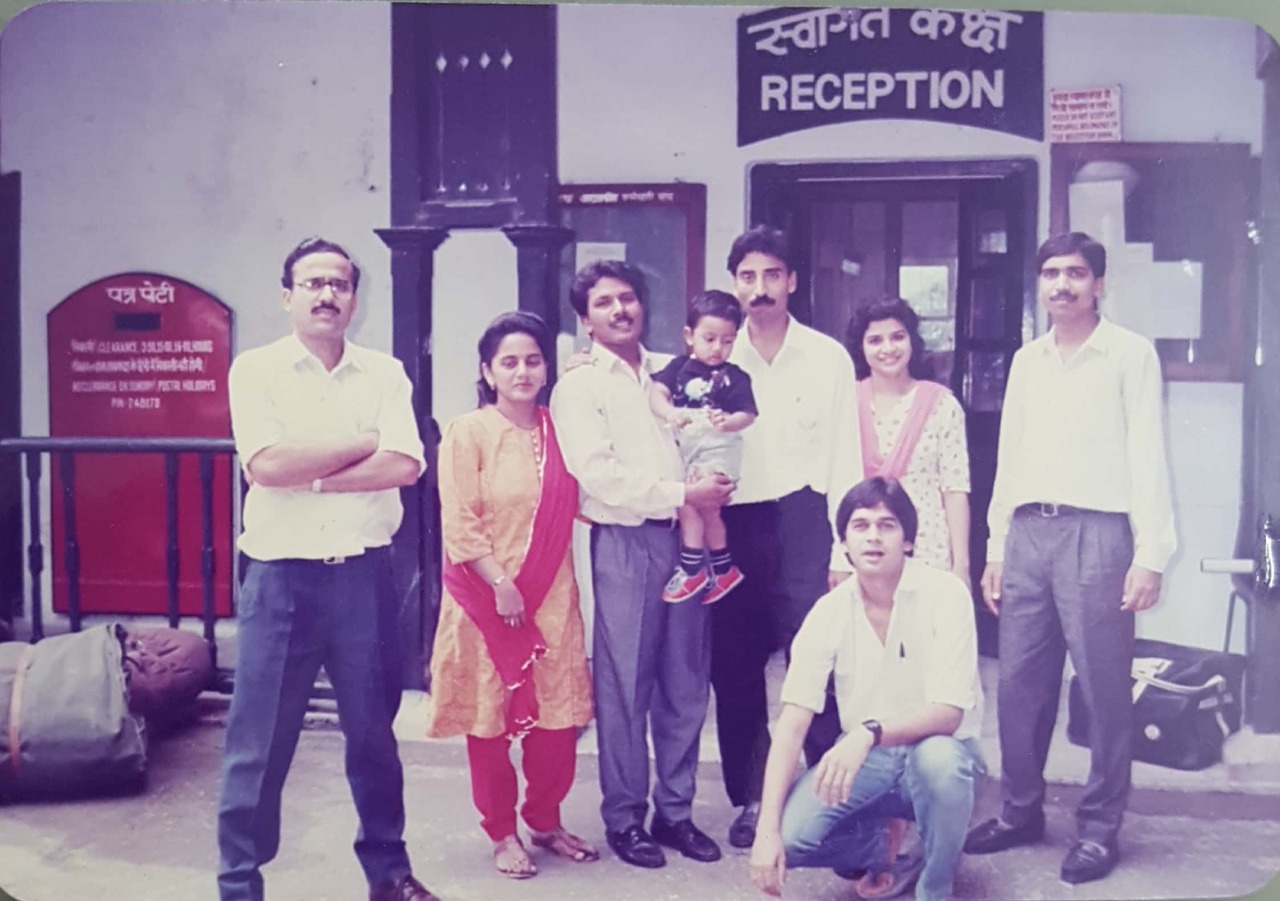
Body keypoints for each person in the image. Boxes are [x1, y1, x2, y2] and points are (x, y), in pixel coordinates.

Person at [217, 237, 438, 901]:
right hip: (282, 581)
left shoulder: (385, 373)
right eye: (312, 283)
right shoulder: (255, 370)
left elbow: (405, 464)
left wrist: (313, 477)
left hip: (363, 581)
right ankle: (239, 882)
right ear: (287, 296)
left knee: (374, 736)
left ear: (354, 297)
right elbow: (266, 465)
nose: (326, 294)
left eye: (339, 283)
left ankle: (389, 872)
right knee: (259, 743)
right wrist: (361, 441)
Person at [963, 232, 1177, 885]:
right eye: (1052, 273)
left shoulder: (1129, 355)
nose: (1062, 284)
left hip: (1099, 534)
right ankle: (1021, 809)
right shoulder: (1028, 360)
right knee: (1020, 683)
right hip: (1029, 531)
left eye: (1076, 273)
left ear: (1099, 283)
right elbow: (1012, 455)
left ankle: (1099, 827)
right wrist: (997, 545)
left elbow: (1148, 453)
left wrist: (1152, 553)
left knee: (1104, 685)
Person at [549, 260, 735, 870]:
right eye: (604, 302)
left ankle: (675, 813)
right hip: (627, 544)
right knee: (625, 683)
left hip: (688, 538)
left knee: (686, 677)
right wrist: (684, 494)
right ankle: (625, 818)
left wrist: (710, 481)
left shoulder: (670, 370)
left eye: (627, 298)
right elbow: (596, 475)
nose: (620, 310)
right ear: (586, 318)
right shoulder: (579, 385)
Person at [748, 477, 984, 901]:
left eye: (887, 525)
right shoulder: (828, 612)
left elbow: (949, 713)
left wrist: (866, 732)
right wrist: (765, 834)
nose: (873, 536)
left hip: (939, 753)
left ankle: (936, 880)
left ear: (908, 541)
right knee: (791, 838)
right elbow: (791, 725)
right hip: (871, 760)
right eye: (860, 525)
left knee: (941, 762)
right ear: (844, 543)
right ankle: (886, 848)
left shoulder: (945, 594)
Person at [425, 311, 597, 880]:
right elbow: (460, 522)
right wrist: (500, 584)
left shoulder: (559, 428)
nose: (523, 371)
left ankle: (545, 820)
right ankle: (502, 832)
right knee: (490, 721)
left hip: (552, 595)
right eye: (509, 362)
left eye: (533, 360)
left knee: (556, 719)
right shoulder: (468, 432)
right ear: (488, 371)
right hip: (485, 598)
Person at [715, 226, 862, 849]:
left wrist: (842, 548)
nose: (760, 289)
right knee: (737, 666)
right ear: (735, 284)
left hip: (808, 520)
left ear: (792, 281)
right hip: (737, 520)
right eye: (747, 277)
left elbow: (846, 454)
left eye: (771, 275)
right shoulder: (715, 354)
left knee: (819, 661)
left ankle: (828, 793)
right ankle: (750, 797)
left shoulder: (826, 356)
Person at [844, 296, 971, 579]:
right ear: (860, 348)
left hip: (928, 550)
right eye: (875, 340)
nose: (888, 349)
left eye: (898, 337)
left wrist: (960, 565)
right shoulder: (846, 404)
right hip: (864, 550)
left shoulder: (942, 405)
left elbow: (955, 489)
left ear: (912, 341)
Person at [649, 289, 758, 604]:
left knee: (691, 502)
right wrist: (670, 412)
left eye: (727, 340)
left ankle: (693, 566)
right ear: (689, 335)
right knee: (702, 510)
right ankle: (723, 568)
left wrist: (729, 421)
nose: (717, 348)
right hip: (690, 453)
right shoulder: (677, 368)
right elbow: (656, 393)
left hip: (718, 451)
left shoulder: (735, 377)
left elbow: (748, 415)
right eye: (709, 338)